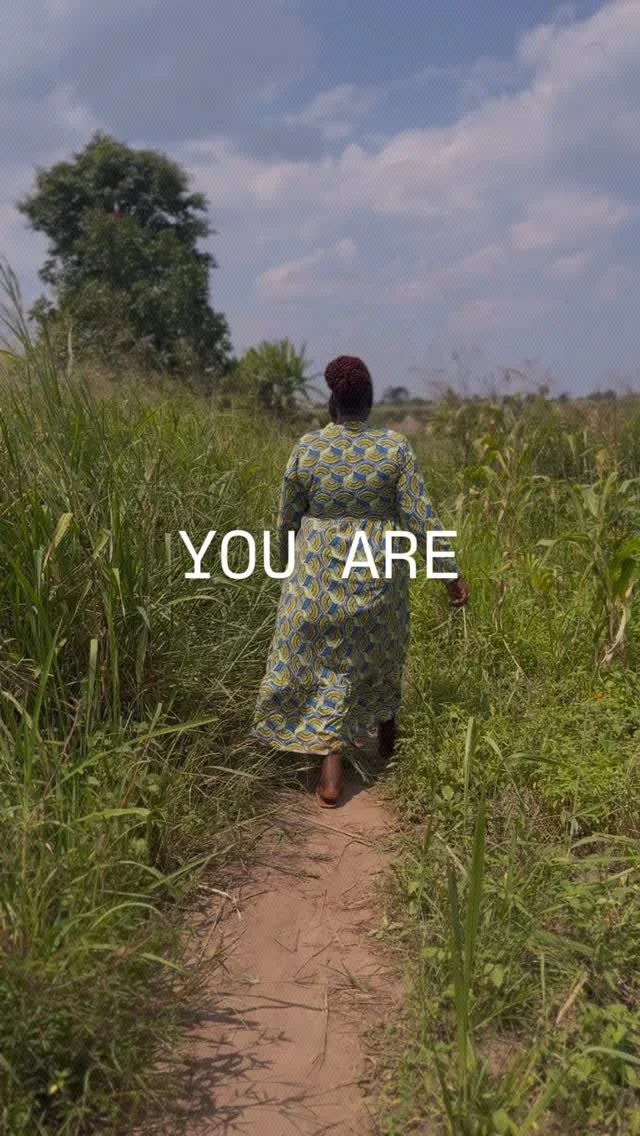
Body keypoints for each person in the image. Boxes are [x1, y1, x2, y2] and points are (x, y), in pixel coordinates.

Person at [251, 356, 469, 806]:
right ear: (368, 405)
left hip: (316, 578)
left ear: (333, 403)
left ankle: (330, 767)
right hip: (377, 577)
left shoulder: (308, 448)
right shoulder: (394, 449)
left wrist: (284, 567)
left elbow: (287, 520)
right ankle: (387, 737)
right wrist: (449, 573)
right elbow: (421, 519)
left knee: (325, 663)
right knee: (382, 652)